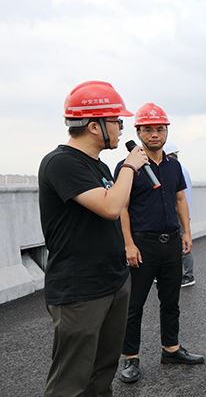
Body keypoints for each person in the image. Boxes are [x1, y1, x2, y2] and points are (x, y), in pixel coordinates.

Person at [38, 81, 148, 396]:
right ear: (94, 126)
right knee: (70, 380)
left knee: (102, 373)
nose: (121, 129)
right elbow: (111, 207)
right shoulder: (62, 162)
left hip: (112, 281)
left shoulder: (97, 165)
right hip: (80, 289)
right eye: (117, 121)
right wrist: (129, 166)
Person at [115, 103, 204, 384]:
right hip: (143, 244)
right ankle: (131, 358)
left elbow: (180, 199)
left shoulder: (174, 165)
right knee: (134, 304)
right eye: (149, 129)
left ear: (166, 131)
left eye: (160, 129)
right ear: (138, 132)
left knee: (171, 300)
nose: (155, 134)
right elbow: (122, 207)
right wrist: (128, 244)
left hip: (171, 242)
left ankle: (171, 349)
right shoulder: (128, 166)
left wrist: (186, 232)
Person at [164, 142, 196, 287]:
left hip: (178, 213)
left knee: (183, 244)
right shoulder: (182, 170)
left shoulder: (176, 170)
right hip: (180, 213)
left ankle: (188, 275)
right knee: (177, 244)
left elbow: (179, 198)